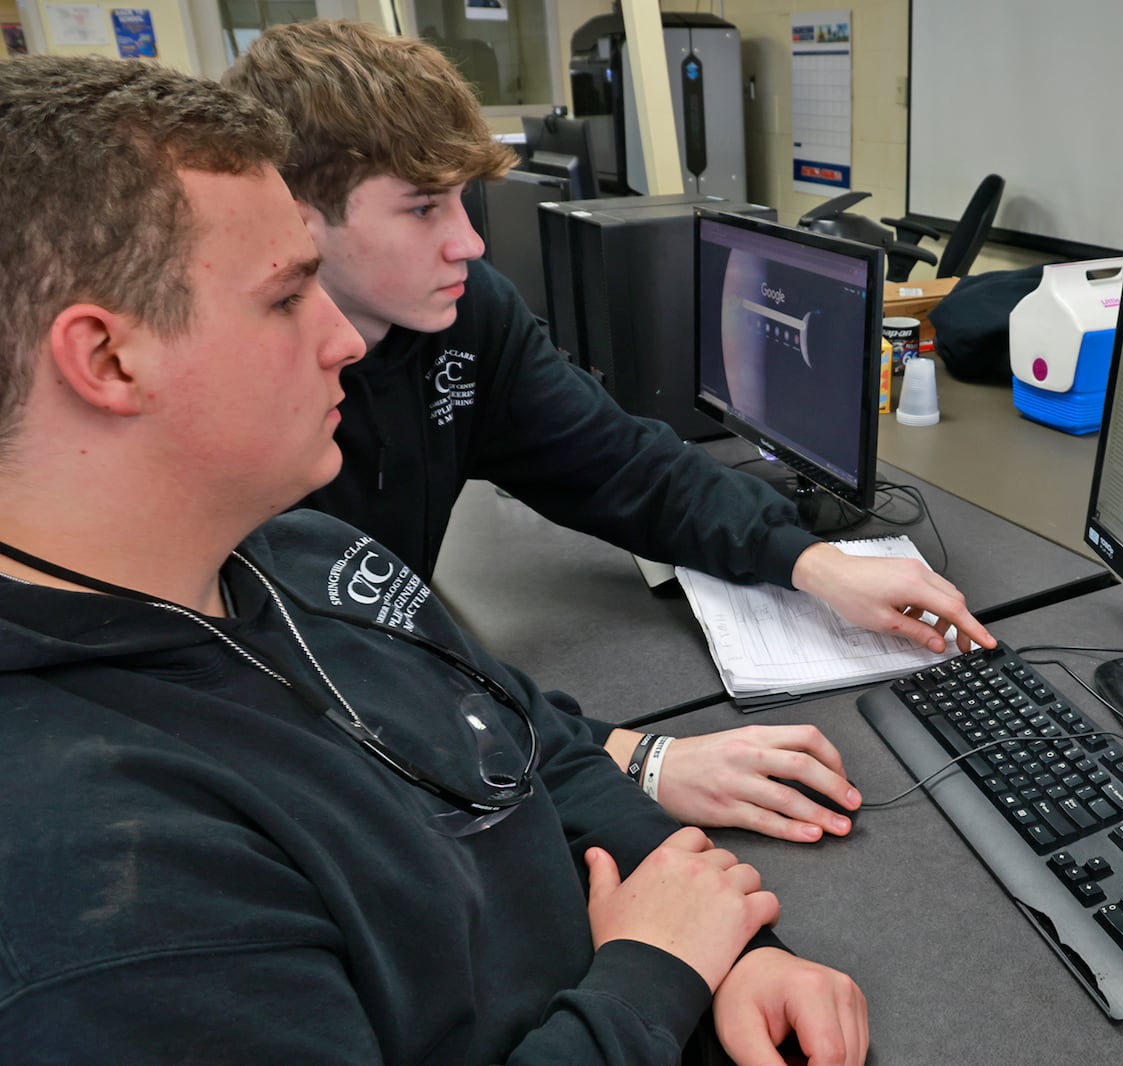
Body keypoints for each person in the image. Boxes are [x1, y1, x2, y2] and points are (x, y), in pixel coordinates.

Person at [0, 55, 866, 1065]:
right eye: (286, 297)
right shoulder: (100, 870)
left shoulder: (303, 554)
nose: (343, 341)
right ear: (108, 358)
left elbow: (518, 741)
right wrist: (654, 973)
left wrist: (733, 951)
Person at [222, 20, 996, 845]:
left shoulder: (463, 314)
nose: (470, 241)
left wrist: (808, 562)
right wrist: (634, 760)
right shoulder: (229, 390)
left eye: (460, 201)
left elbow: (621, 465)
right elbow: (313, 680)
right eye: (422, 208)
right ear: (296, 219)